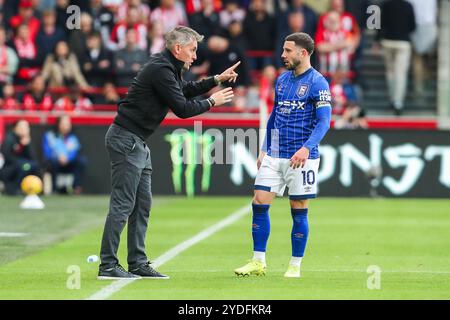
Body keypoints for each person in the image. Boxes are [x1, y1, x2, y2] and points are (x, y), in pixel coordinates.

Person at [98, 26, 240, 280]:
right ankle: (108, 265)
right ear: (178, 49)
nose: (195, 56)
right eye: (192, 49)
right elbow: (183, 109)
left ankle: (137, 262)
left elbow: (183, 90)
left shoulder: (166, 66)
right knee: (123, 204)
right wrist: (211, 102)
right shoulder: (162, 69)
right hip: (127, 139)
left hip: (136, 141)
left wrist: (216, 80)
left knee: (142, 205)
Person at [234, 32, 332, 278]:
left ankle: (295, 265)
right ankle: (258, 261)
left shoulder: (318, 83)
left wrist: (306, 147)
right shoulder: (282, 80)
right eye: (283, 50)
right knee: (259, 202)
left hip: (302, 158)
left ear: (303, 53)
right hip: (275, 154)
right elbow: (275, 116)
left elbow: (324, 122)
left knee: (298, 208)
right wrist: (266, 147)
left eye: (288, 50)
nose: (283, 55)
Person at [42, 115, 86, 194]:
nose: (66, 126)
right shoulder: (49, 136)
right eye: (64, 123)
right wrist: (58, 157)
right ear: (58, 124)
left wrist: (68, 158)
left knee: (81, 161)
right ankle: (54, 189)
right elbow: (47, 152)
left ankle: (75, 187)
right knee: (52, 162)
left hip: (68, 163)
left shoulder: (73, 138)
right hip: (55, 162)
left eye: (68, 124)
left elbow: (74, 152)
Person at [0, 119, 40, 195]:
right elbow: (7, 155)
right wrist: (21, 146)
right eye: (21, 127)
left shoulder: (28, 140)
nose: (23, 129)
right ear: (15, 128)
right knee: (23, 166)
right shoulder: (9, 138)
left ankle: (36, 189)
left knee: (34, 165)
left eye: (26, 127)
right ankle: (15, 189)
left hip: (25, 166)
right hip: (9, 168)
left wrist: (27, 145)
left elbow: (33, 158)